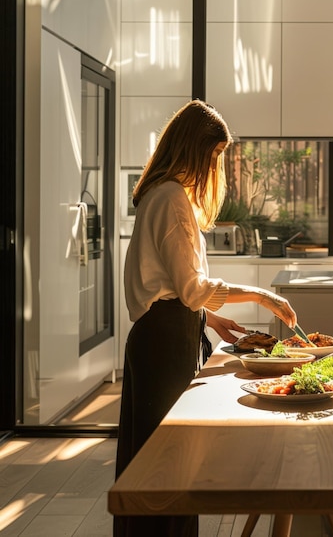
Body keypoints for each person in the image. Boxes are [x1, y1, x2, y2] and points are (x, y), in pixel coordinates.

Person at [113, 100, 297, 537]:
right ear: (195, 149)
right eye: (214, 156)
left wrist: (211, 320)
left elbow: (174, 288)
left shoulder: (159, 194)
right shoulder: (172, 198)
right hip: (164, 343)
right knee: (169, 467)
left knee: (153, 464)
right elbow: (192, 289)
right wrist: (262, 295)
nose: (216, 167)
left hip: (162, 334)